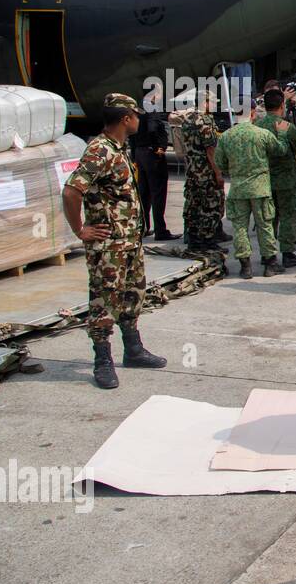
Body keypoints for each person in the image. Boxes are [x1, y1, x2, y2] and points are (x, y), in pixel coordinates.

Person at [61, 93, 168, 389]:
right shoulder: (100, 150)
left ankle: (133, 349)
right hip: (108, 247)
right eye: (136, 115)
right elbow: (71, 191)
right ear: (125, 119)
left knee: (133, 293)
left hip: (129, 242)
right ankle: (102, 360)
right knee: (104, 300)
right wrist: (80, 230)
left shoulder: (119, 148)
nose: (138, 119)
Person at [216, 92, 289, 279]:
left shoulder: (226, 137)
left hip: (238, 188)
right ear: (253, 112)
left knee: (240, 227)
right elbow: (280, 150)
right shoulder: (262, 134)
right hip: (260, 188)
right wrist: (281, 133)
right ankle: (270, 265)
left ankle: (245, 266)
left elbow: (220, 163)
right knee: (265, 226)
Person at [256, 88, 296, 268]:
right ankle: (287, 252)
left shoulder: (257, 127)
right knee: (288, 215)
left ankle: (267, 253)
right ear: (282, 105)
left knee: (268, 217)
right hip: (286, 179)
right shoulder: (287, 127)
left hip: (264, 179)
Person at [179, 94, 226, 252]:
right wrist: (218, 173)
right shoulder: (205, 121)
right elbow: (210, 149)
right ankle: (208, 241)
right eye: (212, 101)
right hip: (205, 171)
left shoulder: (187, 119)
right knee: (211, 206)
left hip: (192, 170)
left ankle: (194, 240)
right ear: (204, 102)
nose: (214, 105)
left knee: (194, 205)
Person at [131, 88, 174, 240]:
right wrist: (160, 146)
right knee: (158, 193)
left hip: (140, 153)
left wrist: (133, 155)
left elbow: (132, 133)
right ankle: (160, 230)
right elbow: (153, 128)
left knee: (144, 193)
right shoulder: (151, 110)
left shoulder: (137, 110)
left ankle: (143, 227)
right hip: (152, 155)